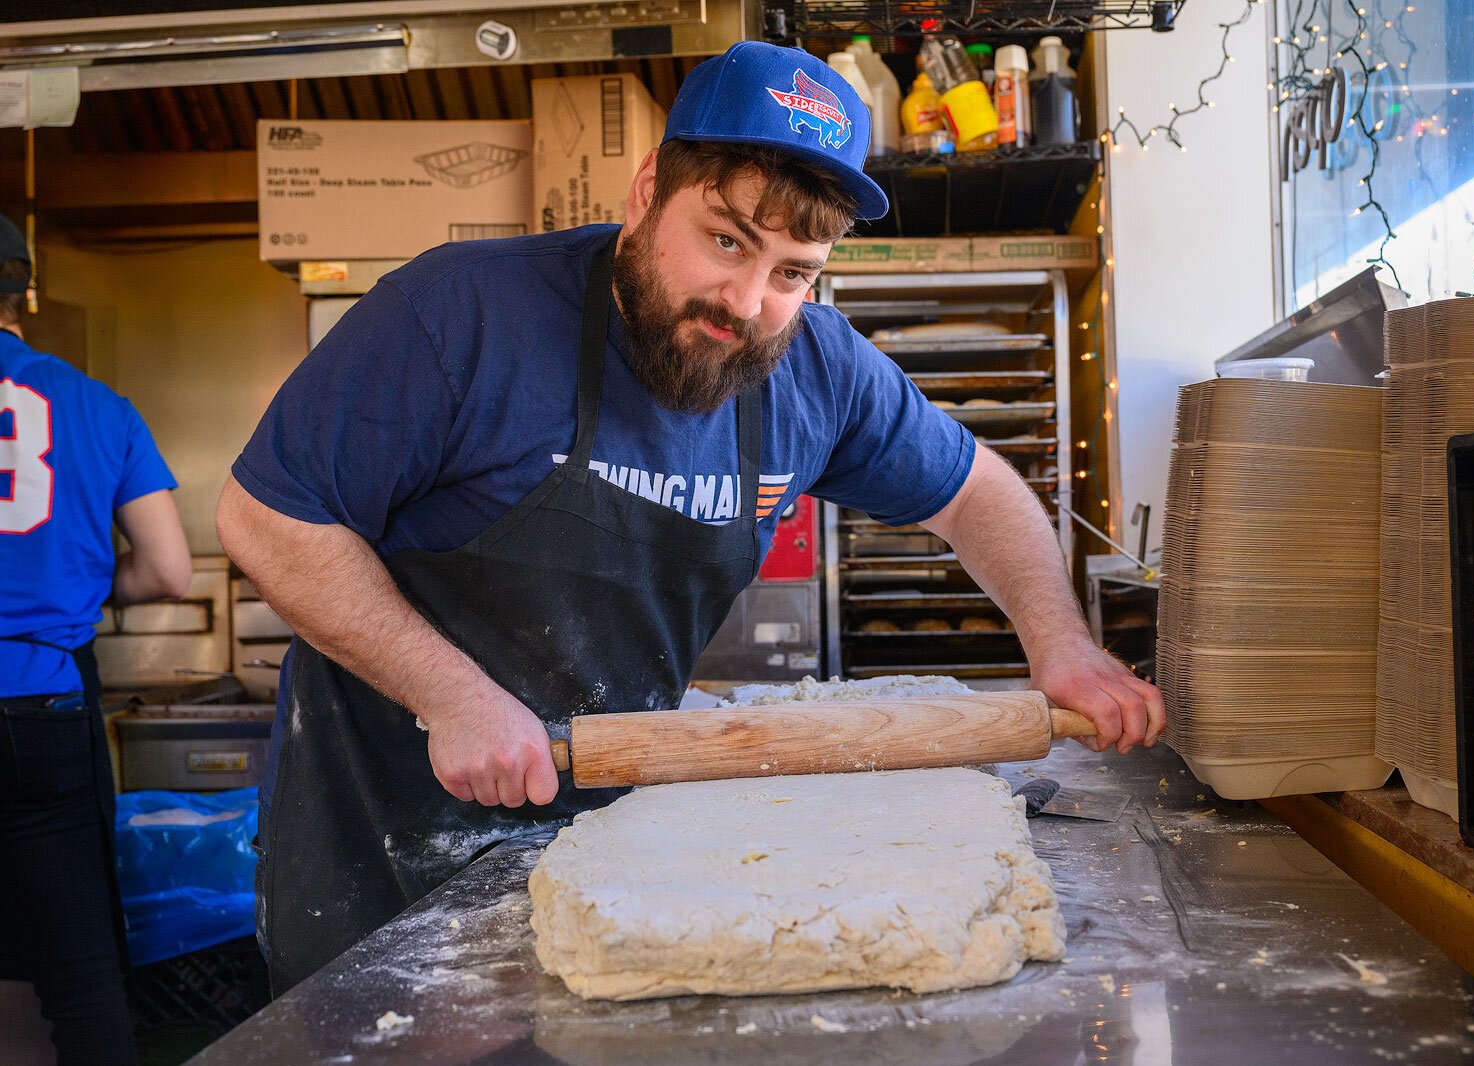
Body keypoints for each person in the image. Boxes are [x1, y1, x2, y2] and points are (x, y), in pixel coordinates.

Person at [215, 41, 1165, 995]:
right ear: (645, 195)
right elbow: (268, 519)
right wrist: (452, 696)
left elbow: (978, 490)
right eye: (725, 241)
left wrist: (1061, 644)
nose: (748, 301)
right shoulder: (461, 313)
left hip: (618, 862)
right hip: (385, 861)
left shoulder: (819, 370)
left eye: (794, 272)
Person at [0, 213, 192, 1066]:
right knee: (82, 982)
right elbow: (168, 570)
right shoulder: (97, 407)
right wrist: (76, 587)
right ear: (24, 291)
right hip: (42, 705)